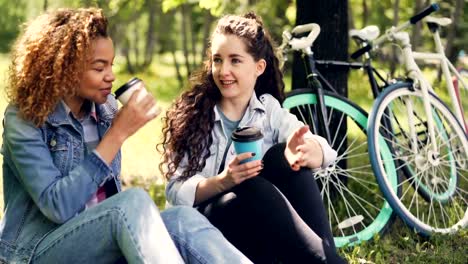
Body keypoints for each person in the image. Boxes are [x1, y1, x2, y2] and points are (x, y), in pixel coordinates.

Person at [0, 8, 252, 264]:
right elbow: (57, 205)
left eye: (111, 65)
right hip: (37, 251)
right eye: (99, 68)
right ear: (64, 68)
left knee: (182, 218)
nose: (111, 76)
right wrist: (117, 134)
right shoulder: (24, 119)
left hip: (99, 238)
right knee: (130, 201)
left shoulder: (105, 108)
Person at [161, 12, 346, 264]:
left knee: (285, 157)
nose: (223, 70)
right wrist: (224, 181)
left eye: (235, 60)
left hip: (259, 231)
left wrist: (309, 151)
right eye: (217, 60)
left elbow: (322, 149)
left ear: (259, 67)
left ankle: (326, 258)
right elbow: (175, 190)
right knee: (250, 184)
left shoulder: (268, 109)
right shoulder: (193, 115)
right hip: (207, 232)